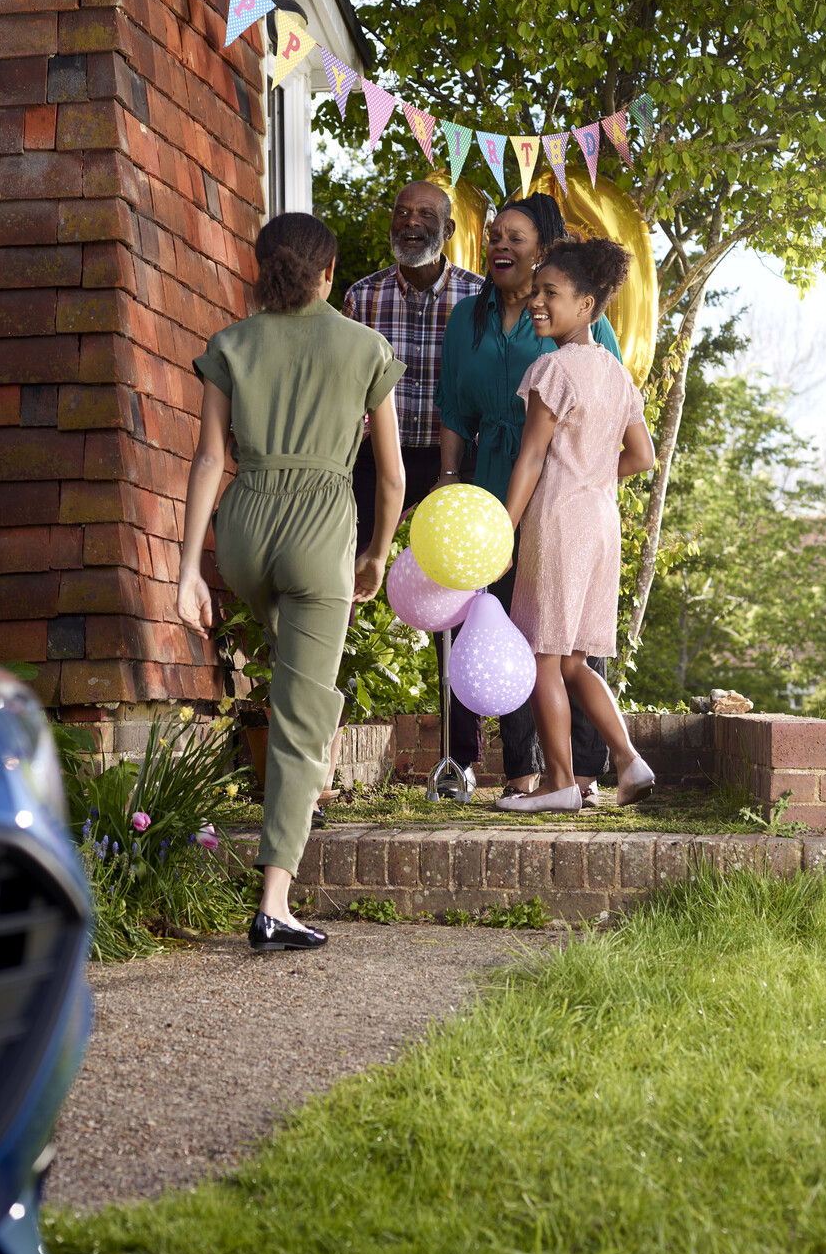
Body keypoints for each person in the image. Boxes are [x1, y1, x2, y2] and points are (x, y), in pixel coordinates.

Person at [177, 213, 406, 949]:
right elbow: (393, 477)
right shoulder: (366, 347)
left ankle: (311, 761)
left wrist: (187, 571)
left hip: (242, 534)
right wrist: (376, 551)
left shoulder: (230, 344)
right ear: (329, 270)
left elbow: (210, 461)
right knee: (303, 716)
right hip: (317, 529)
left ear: (261, 266)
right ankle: (274, 902)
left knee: (296, 677)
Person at [435, 194, 624, 799]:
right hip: (494, 476)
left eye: (515, 236)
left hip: (551, 490)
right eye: (493, 235)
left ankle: (582, 775)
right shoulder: (468, 316)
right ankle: (522, 770)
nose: (499, 245)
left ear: (543, 251)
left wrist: (586, 481)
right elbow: (453, 408)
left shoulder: (581, 327)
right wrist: (447, 478)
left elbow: (604, 417)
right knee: (501, 626)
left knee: (563, 638)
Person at [496, 238, 658, 813]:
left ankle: (559, 782)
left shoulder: (553, 367)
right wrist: (593, 475)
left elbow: (532, 458)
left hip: (559, 520)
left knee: (543, 654)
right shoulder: (616, 373)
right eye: (537, 292)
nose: (537, 302)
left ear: (587, 304)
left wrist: (503, 531)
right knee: (574, 661)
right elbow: (641, 457)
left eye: (550, 294)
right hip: (601, 523)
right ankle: (628, 759)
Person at [342, 180, 484, 789]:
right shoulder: (361, 296)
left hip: (456, 462)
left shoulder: (479, 298)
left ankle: (461, 762)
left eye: (427, 215)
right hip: (376, 460)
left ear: (449, 231)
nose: (412, 222)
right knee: (340, 583)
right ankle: (321, 750)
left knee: (459, 599)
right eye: (402, 212)